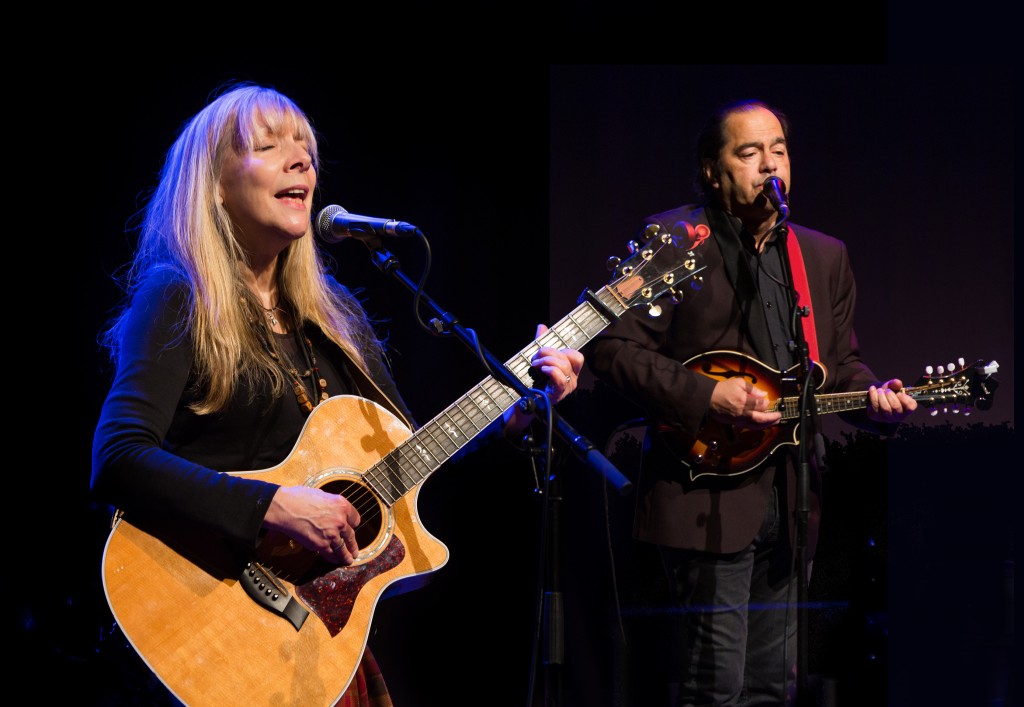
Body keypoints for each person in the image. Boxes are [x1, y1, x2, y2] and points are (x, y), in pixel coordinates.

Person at [90, 81, 584, 707]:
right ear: (213, 184)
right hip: (213, 619)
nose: (302, 161)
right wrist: (273, 506)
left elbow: (408, 467)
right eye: (270, 147)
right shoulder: (179, 296)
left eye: (307, 149)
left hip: (311, 646)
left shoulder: (335, 318)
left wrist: (513, 418)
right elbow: (118, 459)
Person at [584, 98, 918, 706]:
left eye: (780, 151)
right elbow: (612, 348)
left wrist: (876, 399)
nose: (770, 166)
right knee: (714, 687)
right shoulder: (675, 239)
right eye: (749, 152)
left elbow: (838, 366)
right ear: (714, 169)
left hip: (793, 495)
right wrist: (709, 394)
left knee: (773, 687)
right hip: (702, 488)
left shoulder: (822, 255)